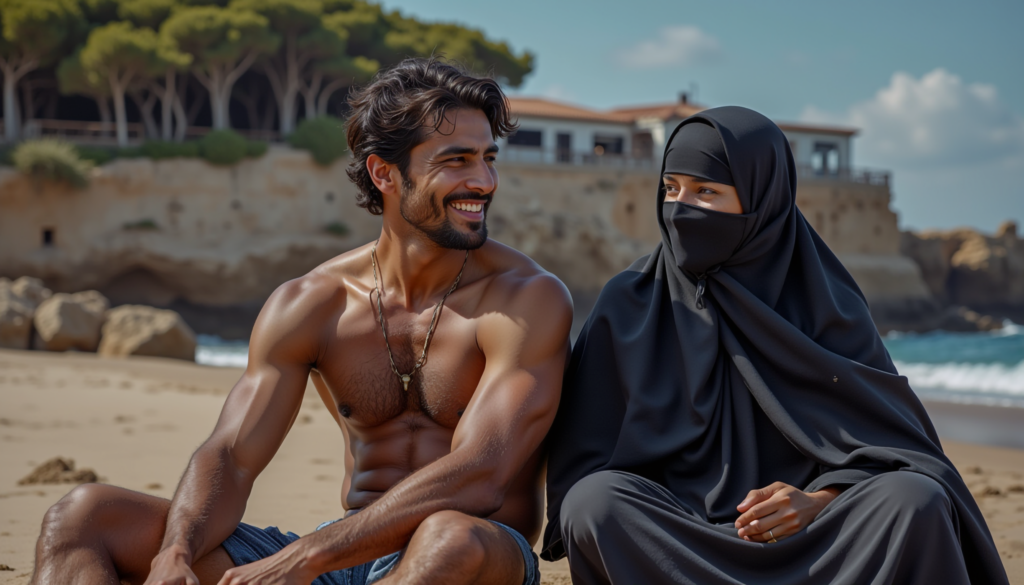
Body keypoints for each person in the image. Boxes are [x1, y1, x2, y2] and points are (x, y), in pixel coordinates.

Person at [30, 58, 572, 585]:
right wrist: (176, 553)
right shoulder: (313, 302)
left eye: (488, 158)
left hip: (471, 552)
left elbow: (481, 473)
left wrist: (306, 558)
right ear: (384, 173)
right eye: (456, 160)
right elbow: (233, 456)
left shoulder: (526, 299)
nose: (483, 181)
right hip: (340, 558)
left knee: (450, 540)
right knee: (83, 515)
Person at [541, 106, 1008, 584]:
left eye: (706, 191)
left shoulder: (828, 305)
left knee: (913, 499)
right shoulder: (629, 302)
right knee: (594, 502)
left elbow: (895, 448)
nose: (681, 208)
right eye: (671, 188)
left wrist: (816, 501)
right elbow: (588, 461)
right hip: (682, 539)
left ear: (762, 199)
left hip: (815, 537)